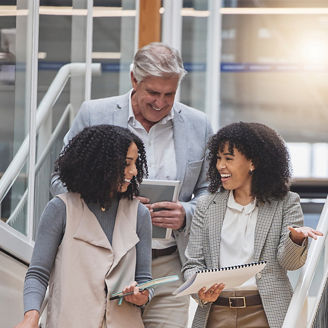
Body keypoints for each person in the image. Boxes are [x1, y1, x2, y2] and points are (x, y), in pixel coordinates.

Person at [50, 42, 213, 328]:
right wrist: (112, 203)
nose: (160, 103)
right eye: (152, 92)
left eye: (169, 94)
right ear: (134, 80)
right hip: (105, 264)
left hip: (168, 264)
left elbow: (211, 190)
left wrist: (186, 212)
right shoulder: (94, 114)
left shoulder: (198, 124)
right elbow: (60, 180)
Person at [182, 122, 323, 328]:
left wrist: (296, 238)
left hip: (267, 313)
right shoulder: (206, 204)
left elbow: (290, 264)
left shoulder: (285, 202)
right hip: (216, 312)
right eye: (218, 158)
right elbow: (192, 264)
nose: (221, 166)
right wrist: (200, 290)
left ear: (253, 163)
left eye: (229, 159)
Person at [15, 125, 152, 328]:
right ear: (100, 165)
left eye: (135, 163)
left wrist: (141, 295)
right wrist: (31, 316)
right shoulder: (60, 209)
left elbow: (145, 279)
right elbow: (38, 273)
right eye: (126, 163)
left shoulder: (139, 214)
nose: (134, 171)